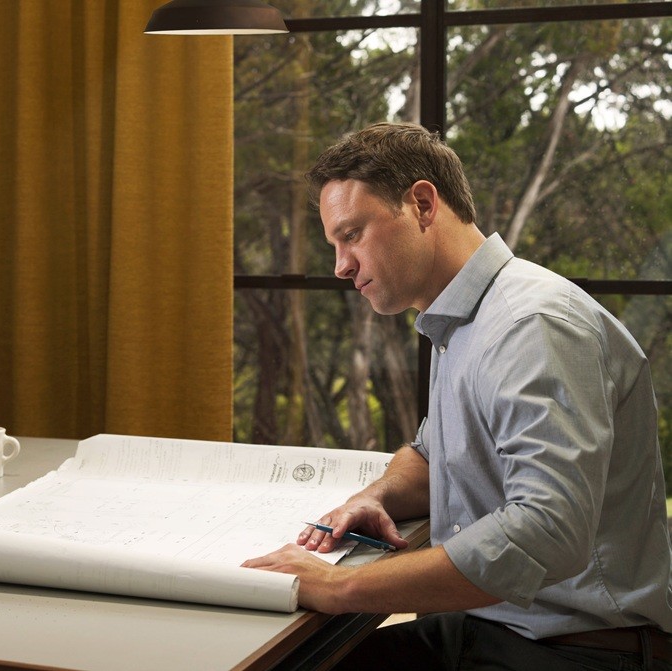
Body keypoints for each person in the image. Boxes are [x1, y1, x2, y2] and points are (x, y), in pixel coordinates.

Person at [241, 122, 672, 670]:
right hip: (498, 627)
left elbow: (549, 528)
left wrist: (339, 586)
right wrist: (374, 498)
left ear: (422, 203)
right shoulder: (465, 321)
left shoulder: (531, 326)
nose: (341, 266)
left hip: (577, 651)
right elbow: (432, 455)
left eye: (351, 235)